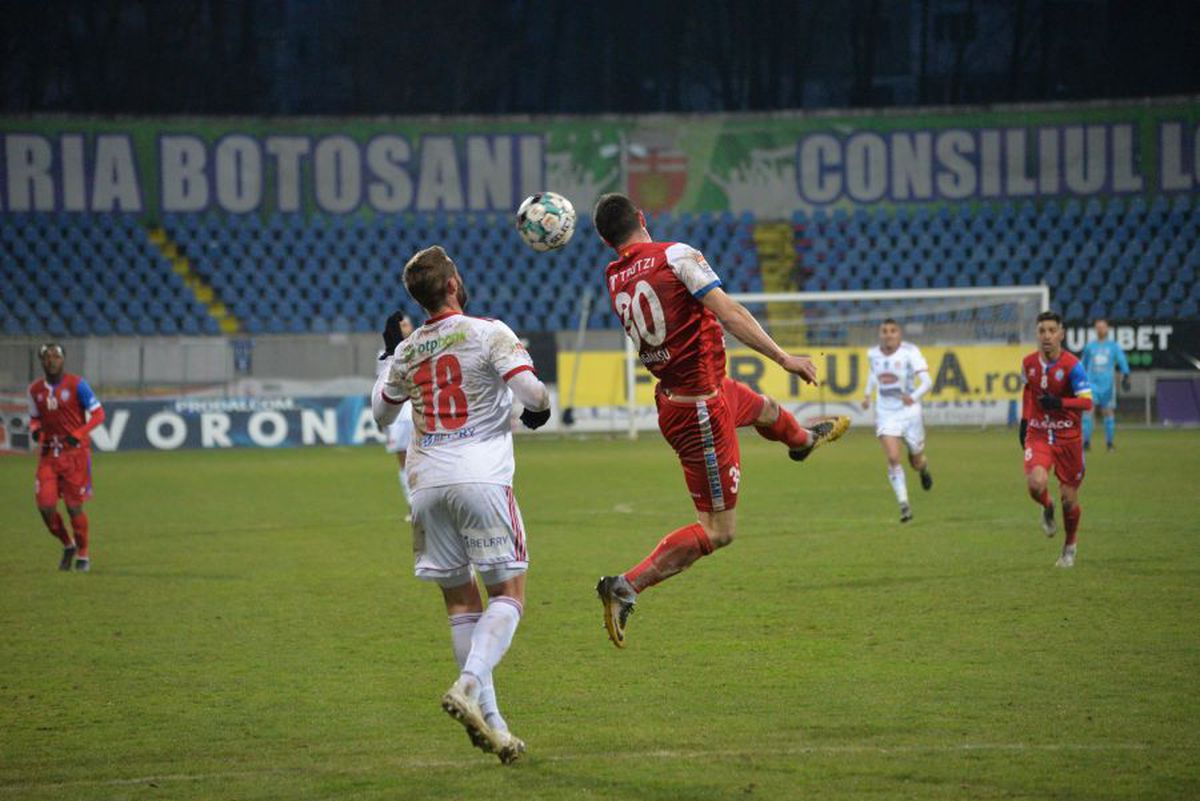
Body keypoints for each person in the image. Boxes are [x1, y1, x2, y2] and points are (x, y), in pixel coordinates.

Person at [590, 192, 849, 649]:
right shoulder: (675, 255)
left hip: (694, 391)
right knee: (719, 530)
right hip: (699, 408)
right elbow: (729, 312)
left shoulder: (614, 277)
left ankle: (803, 440)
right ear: (642, 218)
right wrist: (783, 357)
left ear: (608, 240)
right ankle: (625, 586)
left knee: (765, 409)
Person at [372, 245, 551, 765]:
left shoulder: (408, 350)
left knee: (460, 603)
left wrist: (389, 359)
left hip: (425, 482)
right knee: (509, 594)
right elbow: (531, 394)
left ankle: (494, 726)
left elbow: (382, 415)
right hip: (480, 476)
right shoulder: (488, 331)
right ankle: (469, 684)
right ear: (452, 285)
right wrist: (537, 405)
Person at [1019, 311, 1093, 568]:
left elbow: (1087, 402)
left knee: (1069, 499)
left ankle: (1069, 546)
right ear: (1037, 334)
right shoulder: (1028, 363)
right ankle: (1046, 506)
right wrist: (1025, 420)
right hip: (1039, 433)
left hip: (1068, 438)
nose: (1047, 336)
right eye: (1042, 331)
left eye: (1052, 331)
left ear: (1061, 334)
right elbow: (1028, 391)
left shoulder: (1073, 366)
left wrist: (1060, 402)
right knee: (1036, 483)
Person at [27, 343, 106, 572]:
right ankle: (67, 544)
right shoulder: (34, 390)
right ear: (41, 361)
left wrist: (78, 433)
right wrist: (35, 429)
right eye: (47, 357)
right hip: (48, 455)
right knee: (45, 507)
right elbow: (34, 418)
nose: (52, 360)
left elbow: (99, 414)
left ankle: (83, 554)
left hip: (75, 456)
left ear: (63, 360)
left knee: (73, 508)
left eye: (56, 356)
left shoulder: (77, 384)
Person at [861, 319, 933, 523]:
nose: (888, 334)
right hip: (885, 412)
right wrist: (867, 395)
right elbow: (873, 374)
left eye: (892, 331)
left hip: (909, 413)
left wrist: (914, 396)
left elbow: (927, 382)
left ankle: (924, 468)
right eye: (884, 331)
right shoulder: (872, 353)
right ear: (880, 334)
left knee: (916, 461)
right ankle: (904, 505)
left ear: (899, 333)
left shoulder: (910, 352)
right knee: (893, 457)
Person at [377, 311, 416, 521]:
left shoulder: (422, 346)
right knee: (404, 462)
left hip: (419, 412)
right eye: (402, 326)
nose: (405, 328)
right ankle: (412, 504)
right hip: (398, 416)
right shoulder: (385, 354)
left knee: (424, 458)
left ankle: (424, 503)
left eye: (408, 325)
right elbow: (382, 384)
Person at [1079, 318, 1130, 452]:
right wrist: (1078, 379)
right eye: (1098, 327)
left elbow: (1122, 360)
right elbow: (1083, 364)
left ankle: (1109, 443)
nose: (1100, 329)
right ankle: (1086, 442)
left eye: (1103, 327)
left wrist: (1126, 374)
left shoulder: (1113, 346)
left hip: (1107, 385)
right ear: (1095, 330)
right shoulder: (1090, 346)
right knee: (1088, 411)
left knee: (1108, 412)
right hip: (1091, 384)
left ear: (1107, 329)